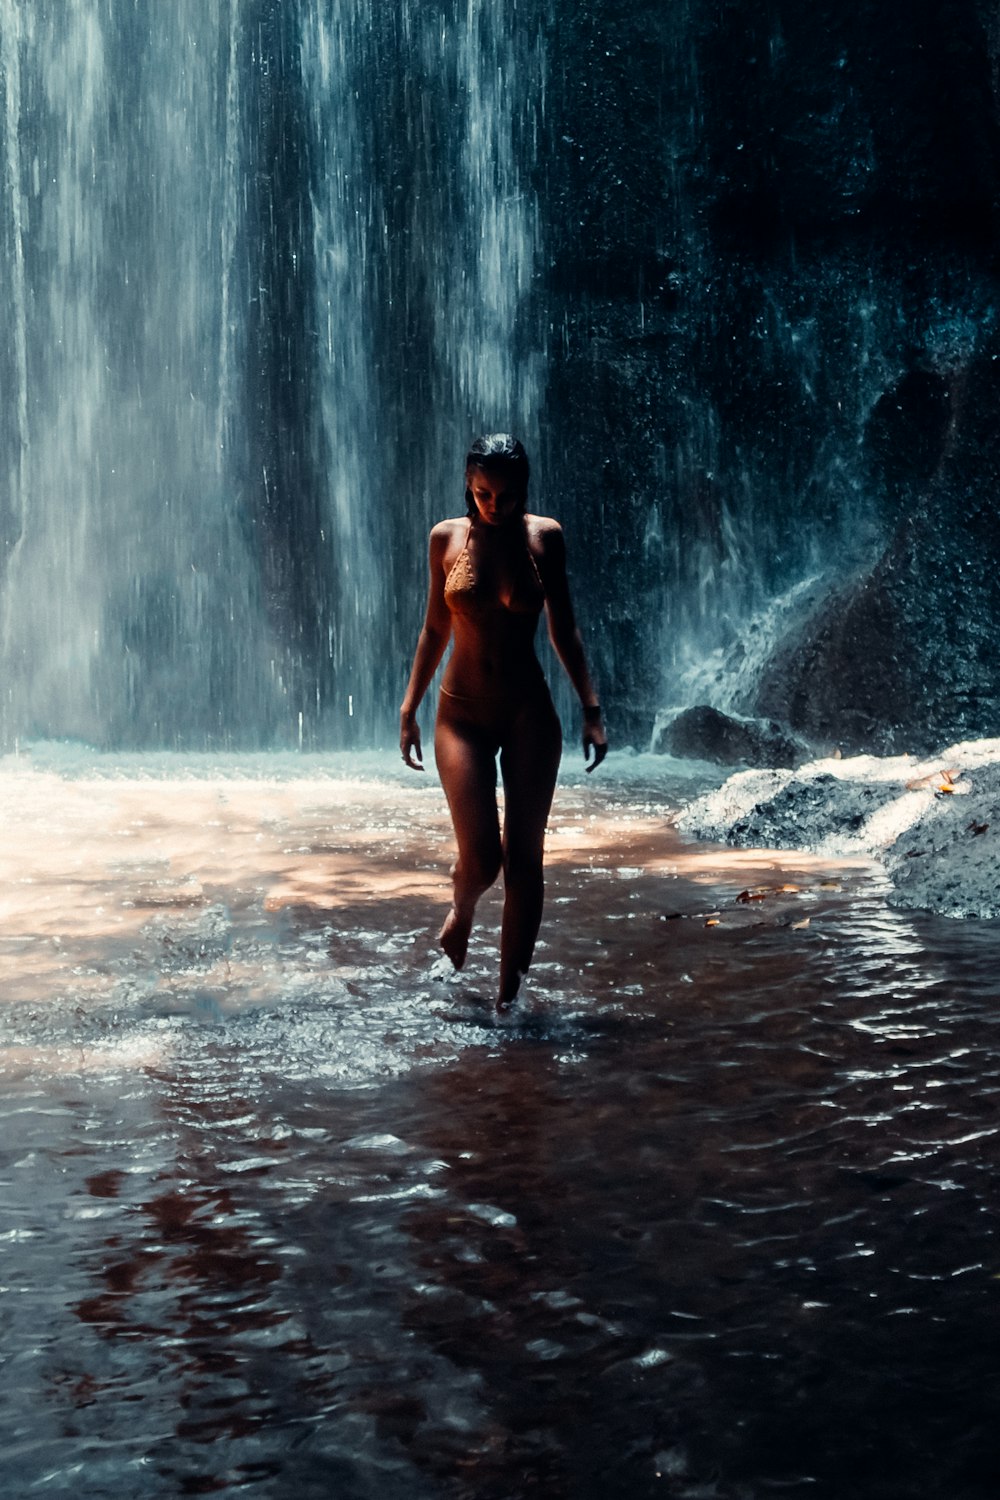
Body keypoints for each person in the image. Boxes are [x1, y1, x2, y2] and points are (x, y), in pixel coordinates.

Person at [400, 433, 607, 1010]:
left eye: (508, 495)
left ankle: (508, 1000)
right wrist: (408, 708)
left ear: (524, 489)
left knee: (525, 859)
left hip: (527, 714)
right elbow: (434, 629)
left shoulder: (546, 538)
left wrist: (591, 709)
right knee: (484, 857)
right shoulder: (446, 538)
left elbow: (563, 630)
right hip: (460, 715)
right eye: (484, 493)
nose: (495, 505)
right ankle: (461, 908)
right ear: (469, 483)